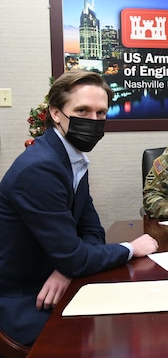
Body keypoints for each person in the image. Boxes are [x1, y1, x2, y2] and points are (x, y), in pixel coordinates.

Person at [0, 70, 159, 346]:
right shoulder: (40, 167)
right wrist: (131, 248)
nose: (93, 121)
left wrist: (68, 267)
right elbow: (76, 254)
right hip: (27, 300)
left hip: (61, 279)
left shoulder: (73, 158)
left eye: (101, 113)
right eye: (83, 110)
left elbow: (92, 229)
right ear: (56, 113)